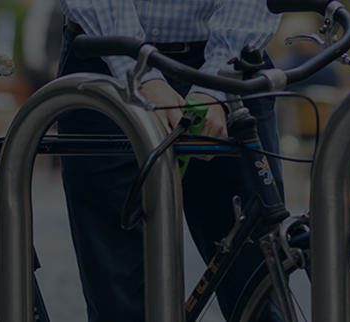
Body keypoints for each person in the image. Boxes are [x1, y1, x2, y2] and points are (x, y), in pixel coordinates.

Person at [55, 0, 282, 321]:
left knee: (257, 282)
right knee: (119, 302)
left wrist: (216, 82)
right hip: (105, 51)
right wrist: (141, 71)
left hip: (230, 57)